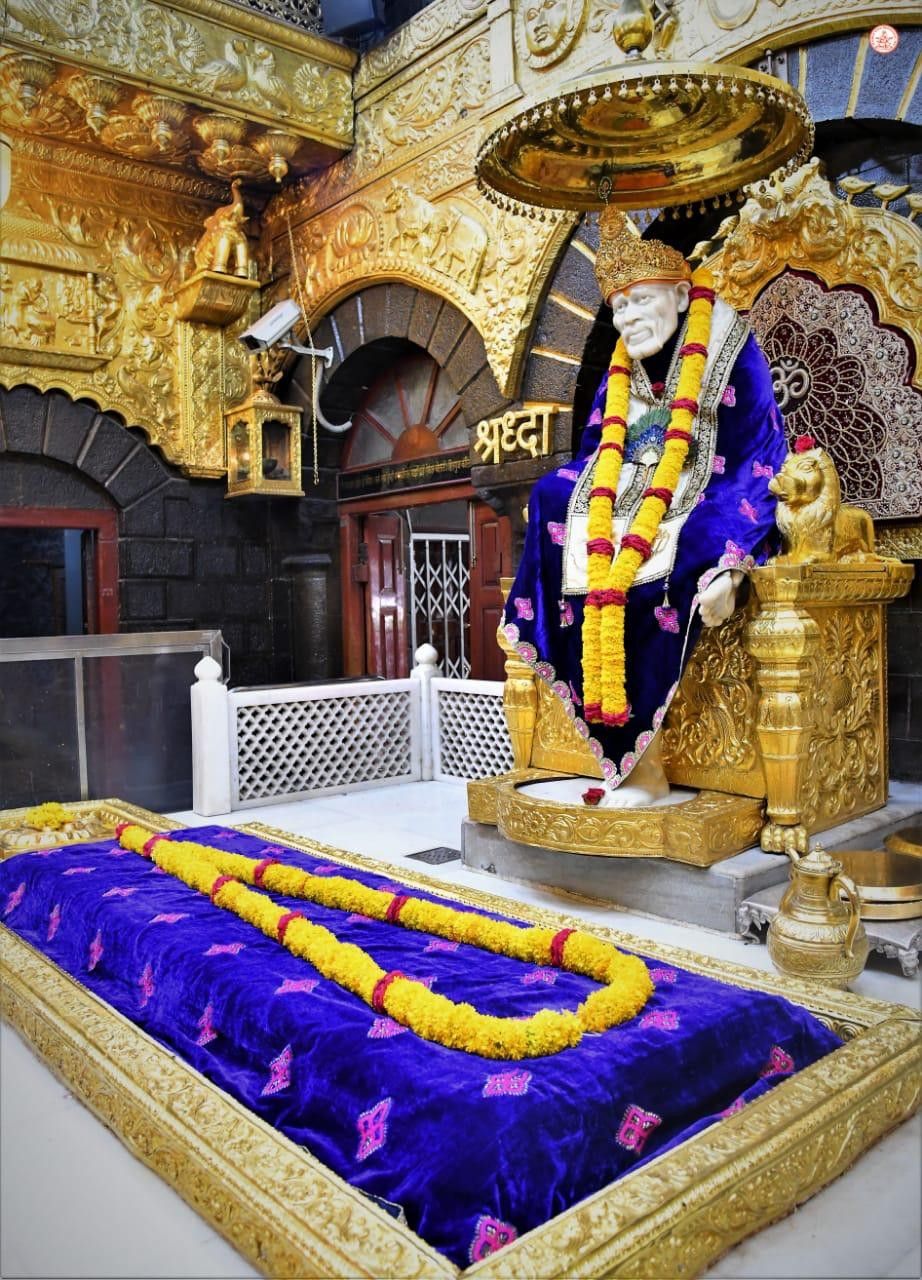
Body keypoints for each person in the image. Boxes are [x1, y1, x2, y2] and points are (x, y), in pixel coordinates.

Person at [502, 208, 788, 805]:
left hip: (710, 484)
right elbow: (591, 451)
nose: (628, 319)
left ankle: (641, 768)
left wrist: (734, 561)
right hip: (624, 497)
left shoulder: (729, 341)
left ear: (683, 296)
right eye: (618, 309)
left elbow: (757, 449)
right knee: (550, 492)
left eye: (641, 301)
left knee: (703, 539)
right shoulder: (620, 368)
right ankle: (609, 751)